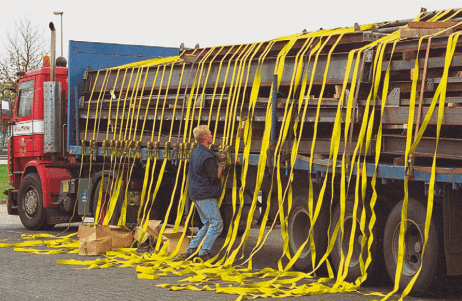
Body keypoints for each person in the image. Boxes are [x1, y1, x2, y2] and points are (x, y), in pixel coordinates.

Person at [185, 125, 226, 261]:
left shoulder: (196, 152)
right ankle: (204, 252)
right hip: (205, 193)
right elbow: (214, 177)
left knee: (208, 223)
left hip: (196, 193)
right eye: (209, 134)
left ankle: (191, 249)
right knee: (216, 223)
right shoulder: (207, 157)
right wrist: (221, 164)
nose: (212, 136)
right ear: (204, 138)